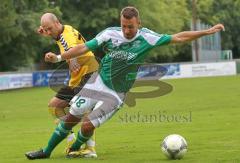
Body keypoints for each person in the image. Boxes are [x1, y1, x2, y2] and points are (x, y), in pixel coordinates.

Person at [25, 7, 225, 159]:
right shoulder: (110, 33)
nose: (127, 30)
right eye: (124, 26)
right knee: (72, 116)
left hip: (117, 93)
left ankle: (76, 148)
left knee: (87, 126)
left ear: (139, 23)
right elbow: (84, 47)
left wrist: (206, 33)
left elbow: (179, 37)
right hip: (98, 81)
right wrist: (60, 58)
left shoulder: (148, 37)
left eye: (131, 26)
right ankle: (46, 151)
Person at [26, 13, 99, 159]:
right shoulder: (60, 33)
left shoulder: (67, 35)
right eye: (45, 29)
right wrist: (46, 31)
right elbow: (62, 41)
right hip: (78, 78)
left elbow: (72, 48)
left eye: (49, 29)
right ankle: (71, 143)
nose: (47, 32)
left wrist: (67, 59)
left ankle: (90, 149)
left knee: (83, 111)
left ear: (58, 23)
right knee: (55, 105)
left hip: (89, 73)